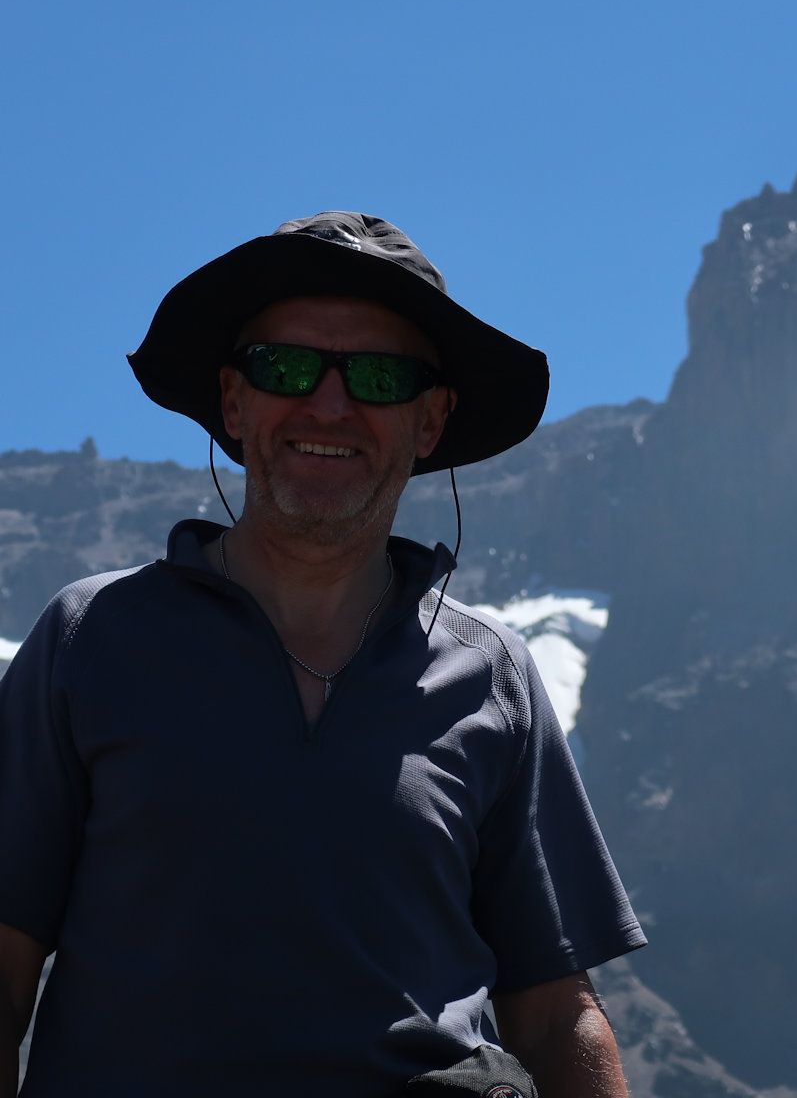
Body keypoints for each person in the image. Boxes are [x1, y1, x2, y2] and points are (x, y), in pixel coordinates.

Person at [0, 213, 646, 1097]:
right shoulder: (89, 638)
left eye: (379, 377)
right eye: (286, 367)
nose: (329, 405)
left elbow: (553, 1009)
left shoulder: (492, 676)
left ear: (431, 421)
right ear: (234, 401)